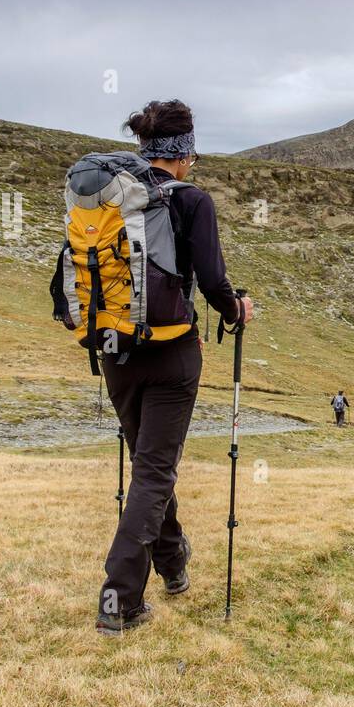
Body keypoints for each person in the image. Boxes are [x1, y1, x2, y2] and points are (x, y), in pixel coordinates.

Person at [96, 99, 254, 636]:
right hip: (172, 353)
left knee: (149, 464)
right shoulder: (192, 201)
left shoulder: (110, 196)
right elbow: (212, 283)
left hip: (115, 351)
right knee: (155, 470)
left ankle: (174, 563)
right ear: (183, 154)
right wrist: (237, 310)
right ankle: (118, 600)